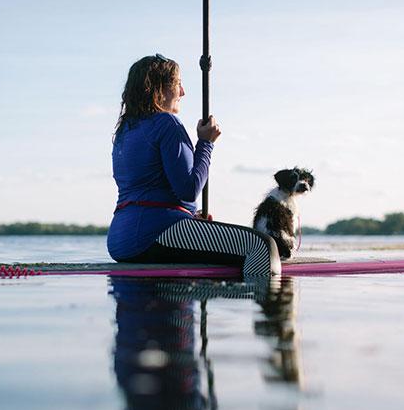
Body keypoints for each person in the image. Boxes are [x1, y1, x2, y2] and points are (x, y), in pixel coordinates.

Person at [107, 54, 281, 276]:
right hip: (156, 232)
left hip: (119, 240)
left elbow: (151, 190)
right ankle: (269, 306)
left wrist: (187, 217)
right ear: (159, 88)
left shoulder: (125, 130)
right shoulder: (166, 123)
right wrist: (206, 143)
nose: (182, 92)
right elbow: (188, 190)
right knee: (262, 247)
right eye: (178, 83)